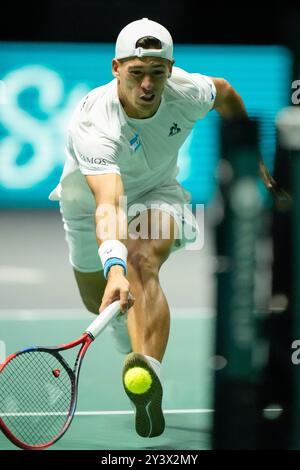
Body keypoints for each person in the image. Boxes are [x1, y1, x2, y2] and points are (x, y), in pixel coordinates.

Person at [49, 17, 285, 438]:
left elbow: (226, 94)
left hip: (160, 192)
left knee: (141, 259)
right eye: (136, 73)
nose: (147, 85)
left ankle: (148, 374)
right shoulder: (94, 123)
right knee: (98, 299)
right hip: (90, 209)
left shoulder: (186, 92)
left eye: (157, 73)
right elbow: (109, 204)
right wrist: (112, 267)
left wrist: (257, 162)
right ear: (116, 68)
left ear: (170, 71)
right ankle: (129, 331)